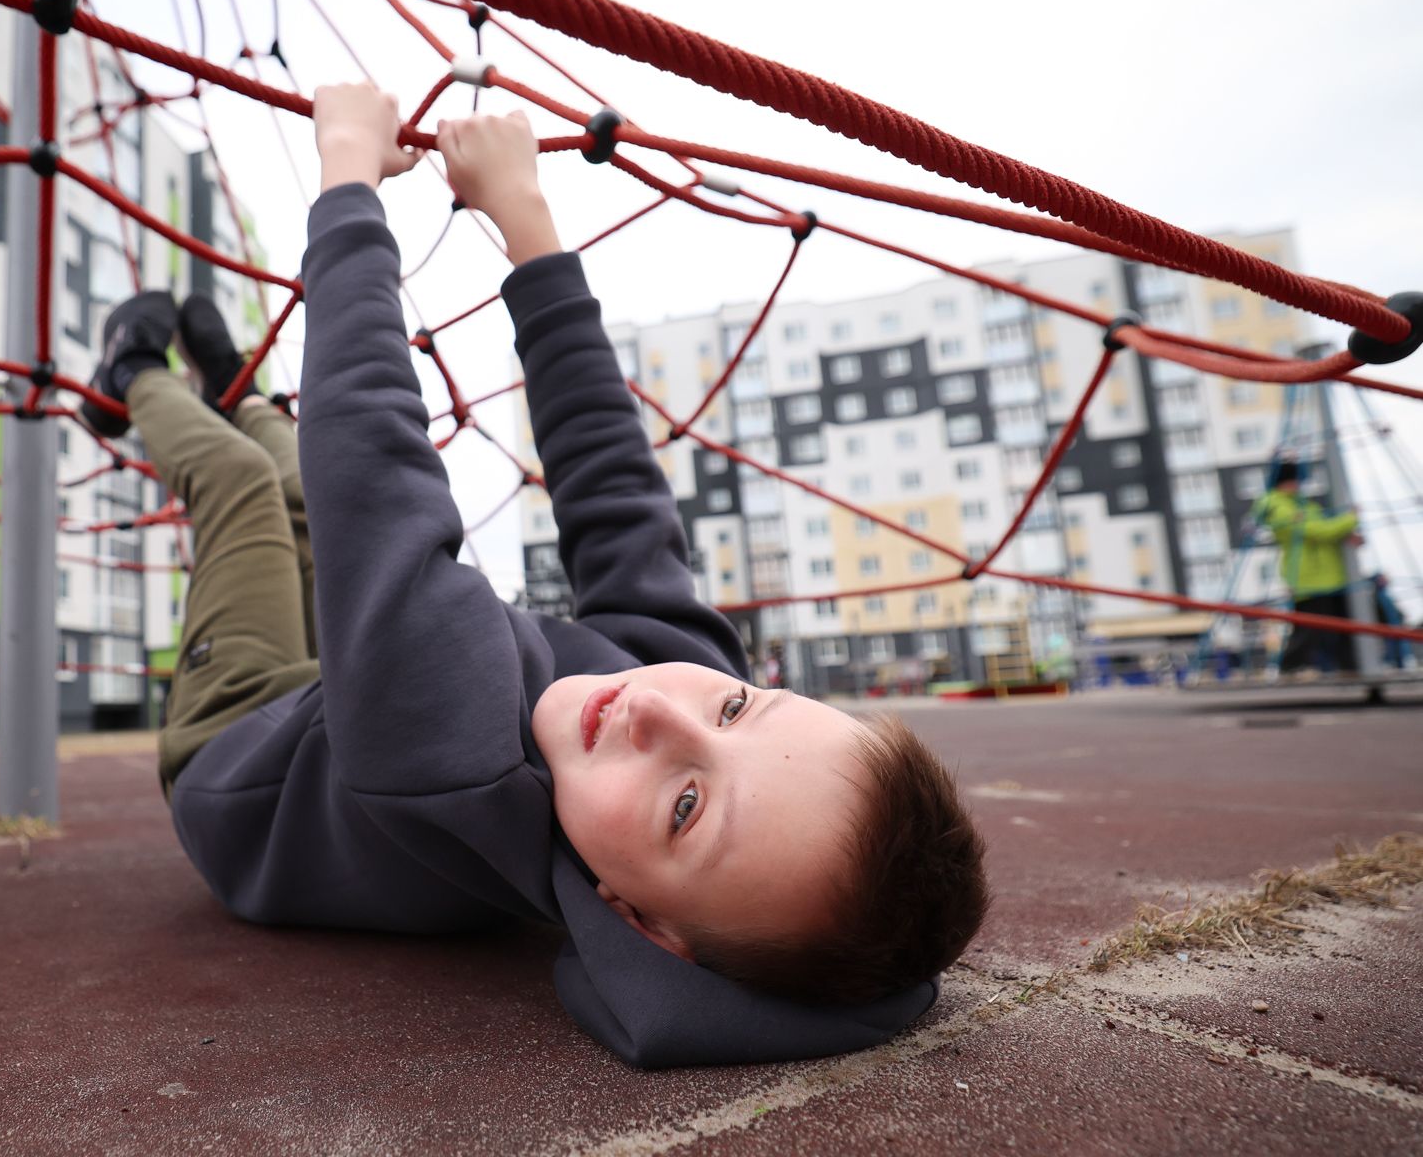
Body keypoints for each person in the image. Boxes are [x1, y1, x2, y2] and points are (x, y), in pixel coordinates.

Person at [80, 85, 988, 1068]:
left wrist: (346, 179)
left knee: (248, 490)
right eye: (738, 708)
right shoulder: (672, 682)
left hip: (239, 755)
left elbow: (370, 469)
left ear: (639, 924)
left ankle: (130, 378)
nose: (658, 711)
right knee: (292, 488)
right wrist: (528, 223)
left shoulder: (454, 746)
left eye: (685, 806)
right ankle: (239, 392)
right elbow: (614, 487)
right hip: (333, 709)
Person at [1255, 460, 1362, 675]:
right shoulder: (1277, 507)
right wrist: (1349, 520)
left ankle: (1349, 667)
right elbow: (1316, 530)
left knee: (1344, 624)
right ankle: (1289, 668)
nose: (1298, 485)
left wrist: (1344, 534)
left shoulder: (1303, 505)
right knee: (1309, 627)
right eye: (1294, 480)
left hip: (1332, 573)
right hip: (1309, 576)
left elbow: (1325, 529)